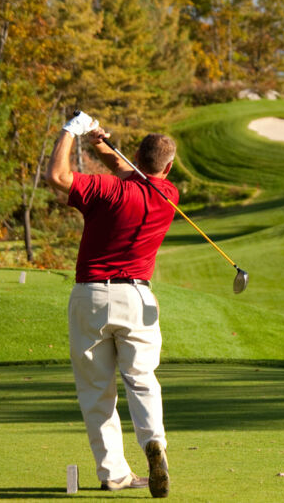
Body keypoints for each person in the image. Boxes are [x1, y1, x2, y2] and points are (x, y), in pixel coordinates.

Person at [45, 111, 175, 498]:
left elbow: (58, 177)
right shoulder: (169, 196)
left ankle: (114, 473)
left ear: (137, 156)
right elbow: (130, 169)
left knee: (96, 391)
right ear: (169, 166)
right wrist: (98, 141)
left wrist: (72, 131)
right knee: (141, 379)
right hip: (137, 297)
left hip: (91, 297)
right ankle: (154, 443)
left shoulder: (107, 191)